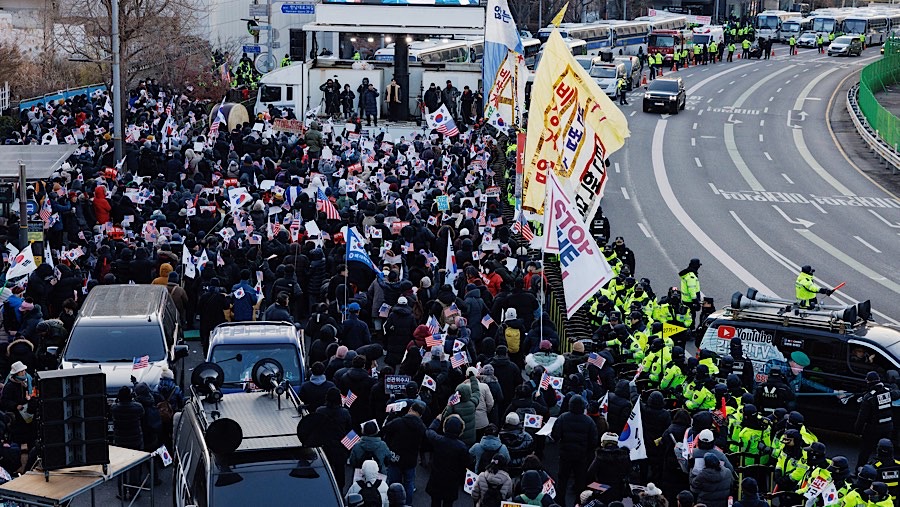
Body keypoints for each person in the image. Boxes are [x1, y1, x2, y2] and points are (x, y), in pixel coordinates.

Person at [552, 395, 598, 505]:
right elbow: (594, 441)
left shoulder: (563, 417)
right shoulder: (589, 421)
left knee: (562, 481)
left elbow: (555, 435)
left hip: (565, 455)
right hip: (581, 457)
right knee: (580, 482)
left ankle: (560, 503)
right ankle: (579, 503)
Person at [383, 401, 427, 502]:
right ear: (420, 415)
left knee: (393, 484)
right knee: (409, 484)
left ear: (410, 409)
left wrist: (390, 417)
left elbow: (385, 430)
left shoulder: (398, 422)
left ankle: (393, 503)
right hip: (410, 460)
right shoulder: (422, 427)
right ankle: (407, 504)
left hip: (395, 458)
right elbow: (425, 443)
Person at [425, 414, 469, 507]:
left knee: (435, 502)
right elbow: (466, 463)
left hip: (436, 478)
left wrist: (437, 420)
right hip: (451, 481)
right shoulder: (462, 447)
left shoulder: (438, 440)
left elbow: (429, 431)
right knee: (448, 504)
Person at [857, 371, 895, 467]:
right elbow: (897, 392)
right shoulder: (889, 392)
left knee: (865, 451)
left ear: (868, 381)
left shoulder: (869, 398)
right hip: (888, 427)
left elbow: (862, 417)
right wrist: (894, 383)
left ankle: (859, 470)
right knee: (886, 450)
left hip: (873, 429)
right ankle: (887, 469)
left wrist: (857, 430)